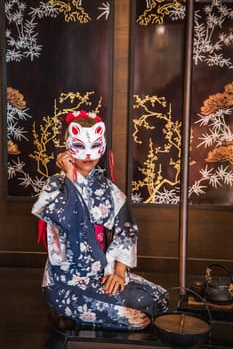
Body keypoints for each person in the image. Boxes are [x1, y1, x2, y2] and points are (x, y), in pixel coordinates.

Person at [31, 109, 169, 331]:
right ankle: (65, 308)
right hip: (67, 280)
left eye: (95, 147)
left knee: (159, 299)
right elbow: (64, 219)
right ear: (68, 148)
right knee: (137, 319)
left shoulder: (106, 187)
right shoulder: (54, 185)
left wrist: (118, 273)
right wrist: (69, 177)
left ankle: (81, 314)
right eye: (80, 147)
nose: (88, 155)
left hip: (102, 272)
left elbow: (127, 230)